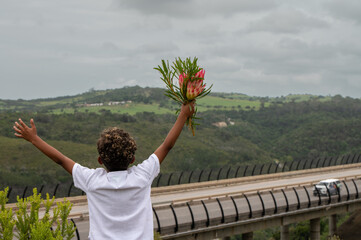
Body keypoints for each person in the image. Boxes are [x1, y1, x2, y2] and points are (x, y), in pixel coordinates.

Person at [13, 102, 195, 240]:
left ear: (100, 161)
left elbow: (61, 160)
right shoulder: (143, 176)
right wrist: (183, 114)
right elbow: (167, 145)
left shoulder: (92, 181)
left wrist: (34, 139)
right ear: (132, 159)